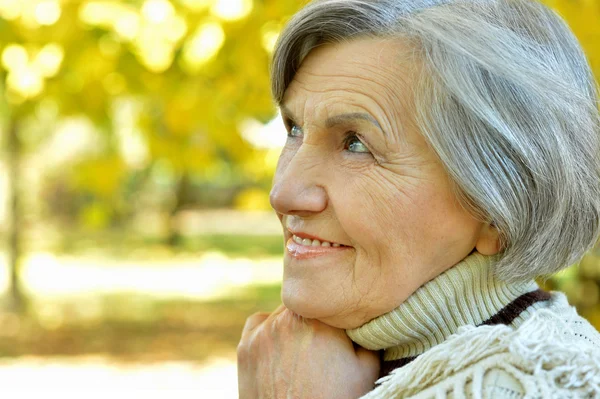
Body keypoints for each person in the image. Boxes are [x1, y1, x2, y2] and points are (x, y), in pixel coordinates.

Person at [236, 0, 600, 397]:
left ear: (498, 207)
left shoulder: (534, 384)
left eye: (356, 144)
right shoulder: (308, 360)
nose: (283, 193)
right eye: (294, 129)